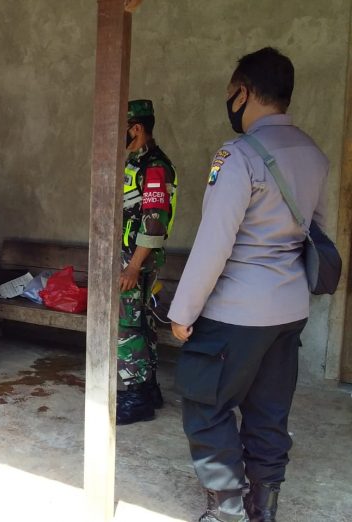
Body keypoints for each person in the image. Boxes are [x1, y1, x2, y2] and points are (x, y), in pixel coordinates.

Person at [168, 48, 328, 522]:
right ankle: (264, 508)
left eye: (230, 93)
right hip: (289, 310)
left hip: (235, 311)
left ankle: (227, 511)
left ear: (243, 92)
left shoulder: (237, 156)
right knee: (268, 410)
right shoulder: (312, 154)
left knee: (206, 404)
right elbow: (315, 233)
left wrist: (182, 313)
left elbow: (214, 243)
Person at [116, 100, 177, 425]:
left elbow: (154, 223)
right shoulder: (137, 162)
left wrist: (133, 266)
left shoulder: (155, 167)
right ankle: (148, 390)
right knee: (141, 325)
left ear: (136, 128)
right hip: (134, 257)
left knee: (127, 327)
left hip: (137, 259)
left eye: (121, 129)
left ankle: (137, 396)